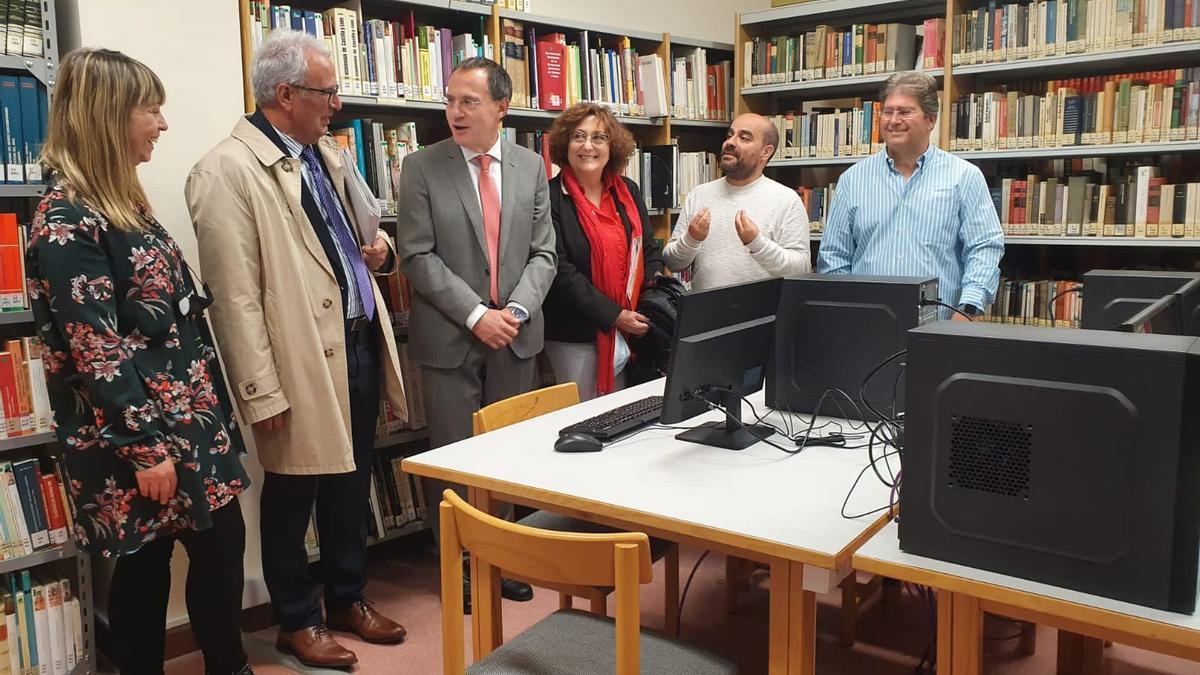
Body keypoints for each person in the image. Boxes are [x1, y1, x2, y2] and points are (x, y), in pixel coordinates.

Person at [25, 48, 252, 675]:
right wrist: (145, 447)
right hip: (144, 433)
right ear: (108, 115)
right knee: (152, 560)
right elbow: (92, 346)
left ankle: (228, 666)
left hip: (188, 418)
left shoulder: (120, 200)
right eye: (150, 109)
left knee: (205, 546)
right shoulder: (68, 216)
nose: (162, 123)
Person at [185, 31, 409, 668]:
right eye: (326, 92)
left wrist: (382, 252)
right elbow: (234, 299)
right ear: (285, 94)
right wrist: (259, 390)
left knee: (350, 480)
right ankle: (295, 618)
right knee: (291, 493)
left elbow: (362, 235)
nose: (336, 103)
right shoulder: (225, 170)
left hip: (357, 342)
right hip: (297, 361)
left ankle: (347, 597)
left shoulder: (324, 155)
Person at [395, 57, 555, 606]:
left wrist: (514, 312)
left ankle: (501, 556)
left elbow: (544, 253)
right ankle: (458, 565)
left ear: (501, 109)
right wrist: (475, 315)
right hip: (451, 335)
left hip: (514, 334)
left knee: (506, 452)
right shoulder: (421, 167)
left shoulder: (531, 166)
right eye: (450, 100)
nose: (455, 112)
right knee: (454, 454)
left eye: (469, 101)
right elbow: (416, 256)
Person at [817, 71, 1004, 319]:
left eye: (905, 112)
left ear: (931, 120)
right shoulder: (852, 180)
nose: (893, 120)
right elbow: (834, 256)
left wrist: (969, 307)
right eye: (887, 111)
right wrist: (848, 311)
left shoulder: (964, 177)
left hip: (940, 327)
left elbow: (984, 246)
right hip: (868, 324)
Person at [542, 102, 663, 400]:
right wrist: (614, 315)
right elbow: (560, 270)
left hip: (634, 328)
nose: (588, 146)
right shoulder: (550, 197)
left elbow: (648, 250)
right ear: (564, 144)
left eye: (599, 138)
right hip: (575, 334)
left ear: (612, 146)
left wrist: (643, 307)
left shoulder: (628, 190)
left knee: (629, 415)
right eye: (578, 137)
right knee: (585, 421)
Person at [662, 112, 811, 292]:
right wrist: (691, 240)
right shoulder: (699, 195)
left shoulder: (786, 200)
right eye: (730, 135)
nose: (730, 142)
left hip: (761, 317)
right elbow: (672, 263)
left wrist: (757, 243)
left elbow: (800, 269)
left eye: (744, 138)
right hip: (705, 315)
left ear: (766, 152)